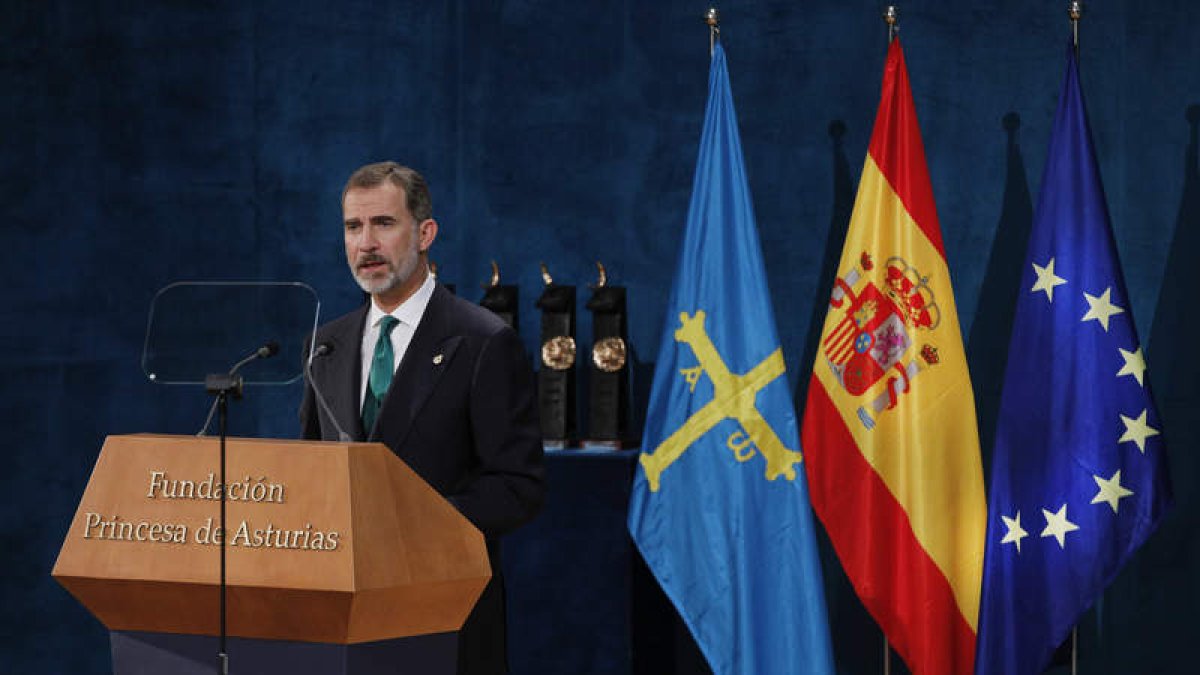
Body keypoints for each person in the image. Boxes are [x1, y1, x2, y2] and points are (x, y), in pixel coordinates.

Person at [299, 161, 544, 675]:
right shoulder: (326, 345)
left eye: (383, 224)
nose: (366, 243)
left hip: (443, 622)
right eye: (353, 227)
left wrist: (410, 521)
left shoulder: (483, 341)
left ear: (426, 233)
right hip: (343, 625)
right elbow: (311, 473)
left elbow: (518, 487)